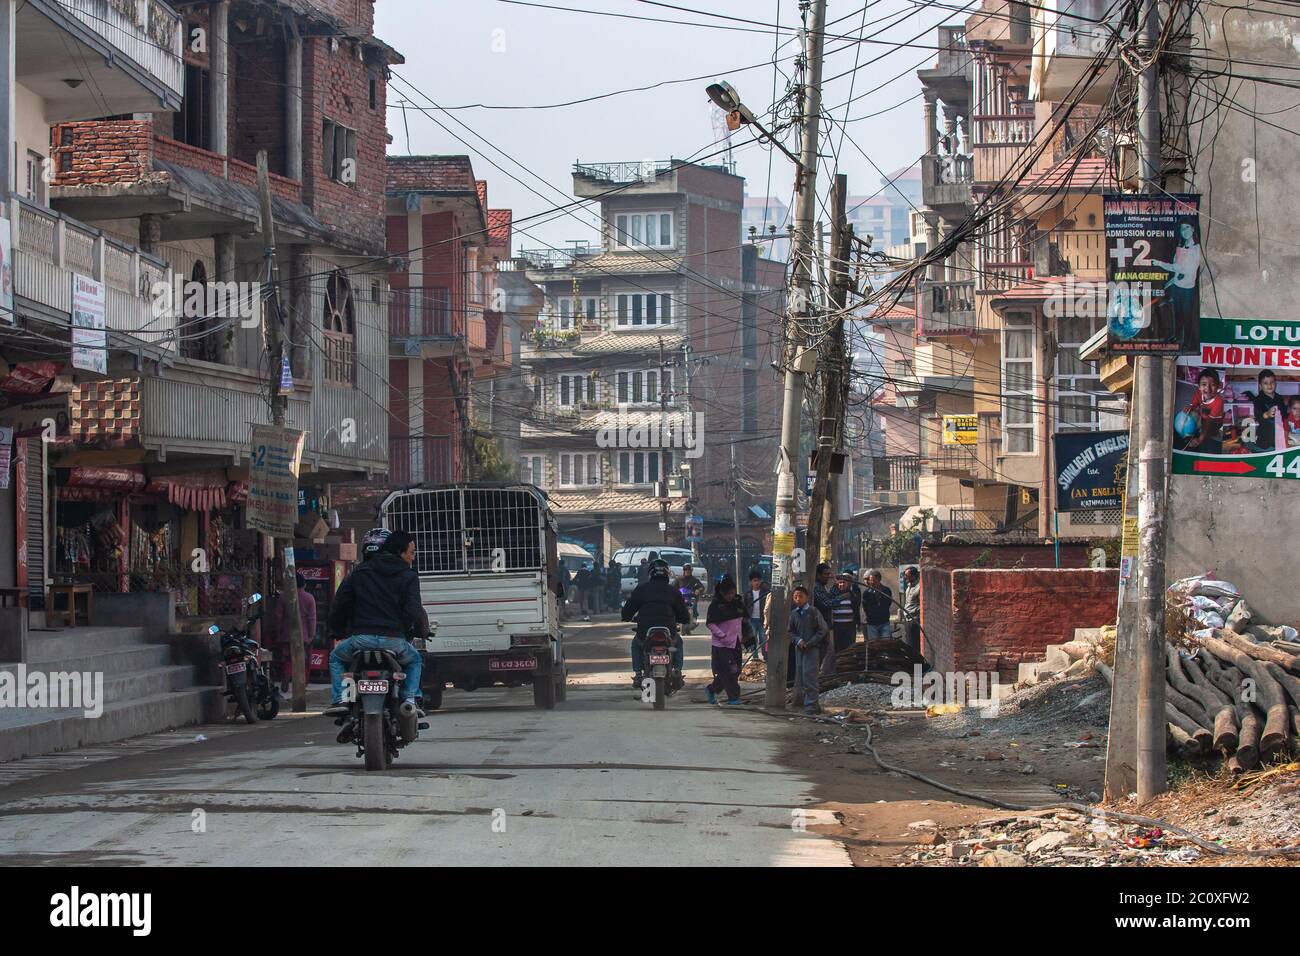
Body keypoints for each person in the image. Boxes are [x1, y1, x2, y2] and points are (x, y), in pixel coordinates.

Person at [325, 530, 426, 715]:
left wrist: (337, 630)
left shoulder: (358, 573)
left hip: (360, 640)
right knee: (415, 660)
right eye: (412, 552)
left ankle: (341, 699)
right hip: (394, 641)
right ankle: (410, 699)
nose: (413, 557)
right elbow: (413, 610)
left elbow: (340, 605)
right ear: (401, 552)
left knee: (335, 657)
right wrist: (403, 629)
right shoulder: (409, 576)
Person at [621, 558, 690, 688]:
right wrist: (683, 620)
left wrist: (626, 616)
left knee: (636, 644)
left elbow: (628, 609)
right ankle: (677, 671)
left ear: (650, 573)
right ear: (667, 574)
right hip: (668, 629)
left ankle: (638, 674)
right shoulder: (673, 591)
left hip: (645, 630)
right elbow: (684, 615)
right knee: (678, 643)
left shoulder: (642, 589)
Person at [705, 576, 748, 705]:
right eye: (727, 594)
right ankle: (733, 697)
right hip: (721, 645)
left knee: (736, 670)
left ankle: (711, 689)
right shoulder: (716, 606)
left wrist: (746, 638)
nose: (730, 596)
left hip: (735, 642)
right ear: (722, 593)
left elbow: (744, 621)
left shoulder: (737, 604)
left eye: (732, 593)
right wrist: (722, 635)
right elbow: (710, 624)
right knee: (728, 670)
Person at [789, 585, 828, 715]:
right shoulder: (794, 614)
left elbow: (822, 630)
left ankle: (811, 706)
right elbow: (791, 631)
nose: (798, 599)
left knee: (810, 677)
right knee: (801, 677)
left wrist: (810, 643)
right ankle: (808, 704)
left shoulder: (814, 612)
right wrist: (798, 641)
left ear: (807, 597)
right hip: (799, 649)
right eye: (795, 597)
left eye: (800, 596)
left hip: (812, 649)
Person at [276, 571, 317, 690]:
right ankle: (302, 683)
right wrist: (311, 634)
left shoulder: (283, 597)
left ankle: (286, 676)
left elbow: (278, 617)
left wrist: (279, 634)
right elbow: (312, 619)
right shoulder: (309, 598)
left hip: (286, 634)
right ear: (304, 585)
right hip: (304, 636)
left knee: (287, 657)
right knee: (304, 660)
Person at [1183, 368, 1225, 454]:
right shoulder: (1198, 393)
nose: (1208, 389)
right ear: (1199, 386)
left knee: (1209, 446)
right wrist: (1189, 409)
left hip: (1214, 426)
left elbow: (1209, 423)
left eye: (1212, 385)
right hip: (1203, 421)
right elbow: (1193, 405)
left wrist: (1200, 439)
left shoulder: (1219, 401)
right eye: (1204, 384)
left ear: (1218, 386)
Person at [1247, 369, 1287, 452]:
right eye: (1265, 383)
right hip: (1265, 435)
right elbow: (1258, 414)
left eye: (1272, 382)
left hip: (1279, 433)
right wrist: (1267, 414)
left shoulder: (1279, 397)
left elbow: (1284, 414)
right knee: (1266, 451)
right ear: (1260, 385)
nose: (1269, 385)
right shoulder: (1258, 399)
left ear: (1276, 383)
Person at [860, 569, 893, 641]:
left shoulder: (886, 590)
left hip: (884, 622)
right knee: (873, 644)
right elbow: (865, 607)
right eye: (870, 580)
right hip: (872, 623)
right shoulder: (867, 593)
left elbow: (888, 603)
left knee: (885, 643)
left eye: (873, 580)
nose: (871, 582)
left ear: (879, 579)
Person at [746, 571, 771, 661]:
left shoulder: (765, 593)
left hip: (762, 620)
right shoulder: (748, 594)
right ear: (751, 582)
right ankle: (755, 658)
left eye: (758, 580)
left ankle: (766, 657)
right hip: (751, 620)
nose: (756, 582)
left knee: (764, 640)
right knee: (753, 640)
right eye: (754, 580)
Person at [902, 566, 922, 657]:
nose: (905, 577)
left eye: (907, 575)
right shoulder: (909, 586)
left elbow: (922, 605)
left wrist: (915, 614)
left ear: (913, 576)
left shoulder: (919, 587)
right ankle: (913, 667)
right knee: (909, 645)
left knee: (915, 646)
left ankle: (917, 669)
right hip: (907, 619)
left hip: (914, 619)